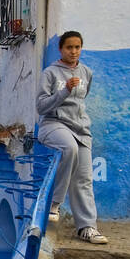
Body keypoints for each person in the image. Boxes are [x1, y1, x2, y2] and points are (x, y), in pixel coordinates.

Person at [36, 30, 108, 245]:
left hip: (80, 129)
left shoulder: (87, 73)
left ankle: (87, 227)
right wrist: (64, 91)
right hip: (53, 124)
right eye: (69, 47)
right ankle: (55, 204)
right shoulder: (50, 73)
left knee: (84, 179)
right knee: (69, 149)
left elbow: (81, 101)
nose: (73, 51)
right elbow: (41, 106)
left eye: (77, 47)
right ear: (61, 49)